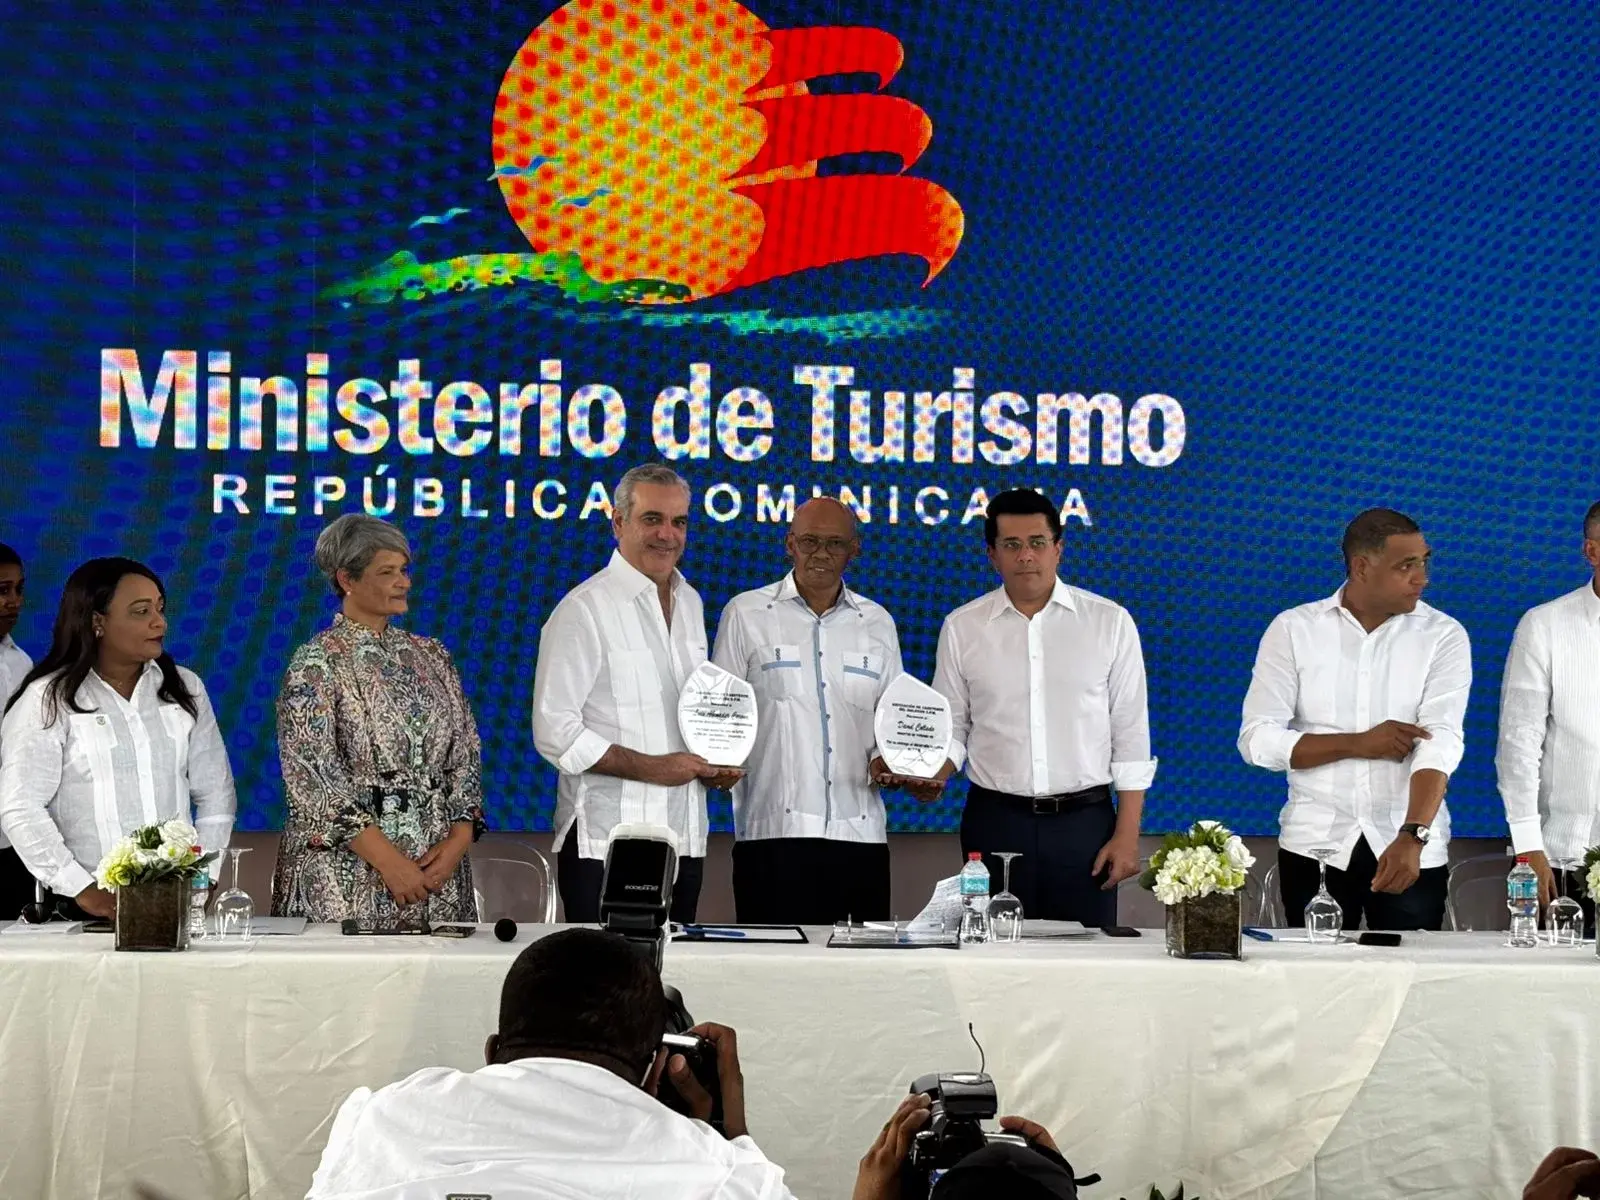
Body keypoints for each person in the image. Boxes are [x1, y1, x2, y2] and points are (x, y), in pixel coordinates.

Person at [311, 926, 938, 1200]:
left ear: (492, 1052)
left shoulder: (379, 1116)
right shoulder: (714, 1170)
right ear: (660, 1066)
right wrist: (734, 1135)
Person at [1239, 508, 1471, 931]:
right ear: (1362, 567)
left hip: (1410, 848)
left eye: (1424, 561)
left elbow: (1441, 743)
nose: (1423, 577)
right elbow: (1256, 742)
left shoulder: (1444, 635)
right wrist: (1358, 743)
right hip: (1317, 848)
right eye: (1407, 565)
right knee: (1315, 988)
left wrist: (1413, 834)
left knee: (1414, 984)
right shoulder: (1294, 629)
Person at [930, 489, 1154, 926]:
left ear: (1059, 548)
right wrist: (930, 774)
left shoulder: (1109, 623)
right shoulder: (962, 627)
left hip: (1085, 826)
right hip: (994, 822)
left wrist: (1127, 834)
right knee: (991, 958)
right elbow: (952, 728)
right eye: (1011, 545)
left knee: (1084, 967)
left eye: (1037, 542)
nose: (1026, 556)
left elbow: (1130, 735)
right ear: (992, 555)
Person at [533, 464, 741, 923]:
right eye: (652, 519)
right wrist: (652, 768)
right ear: (619, 522)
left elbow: (689, 712)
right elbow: (555, 732)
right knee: (601, 992)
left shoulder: (691, 602)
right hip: (606, 843)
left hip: (684, 839)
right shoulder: (583, 610)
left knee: (667, 986)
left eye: (679, 522)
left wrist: (713, 762)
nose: (667, 534)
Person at [272, 515, 483, 924]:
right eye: (387, 572)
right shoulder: (317, 661)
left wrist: (458, 838)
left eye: (404, 570)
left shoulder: (433, 655)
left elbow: (466, 752)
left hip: (435, 869)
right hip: (348, 872)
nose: (403, 581)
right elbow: (312, 778)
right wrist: (389, 862)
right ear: (347, 579)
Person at [0, 557, 235, 920]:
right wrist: (82, 888)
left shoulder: (183, 688)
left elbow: (216, 794)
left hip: (171, 904)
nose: (159, 622)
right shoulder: (49, 698)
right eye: (141, 611)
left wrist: (205, 875)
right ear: (97, 621)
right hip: (80, 911)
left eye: (160, 608)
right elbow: (20, 806)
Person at [711, 498, 904, 924]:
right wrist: (717, 763)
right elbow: (721, 715)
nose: (821, 553)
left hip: (861, 838)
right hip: (772, 836)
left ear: (855, 550)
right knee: (773, 980)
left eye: (835, 544)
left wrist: (893, 760)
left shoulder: (878, 623)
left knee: (862, 982)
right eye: (810, 541)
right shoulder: (746, 614)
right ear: (790, 545)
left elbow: (892, 724)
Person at [1496, 500, 1600, 936]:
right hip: (1565, 856)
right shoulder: (1546, 625)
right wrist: (1527, 847)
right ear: (1592, 551)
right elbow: (1518, 746)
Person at [0, 542, 35, 917]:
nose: (14, 601)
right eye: (2, 590)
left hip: (11, 843)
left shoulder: (19, 662)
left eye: (18, 589)